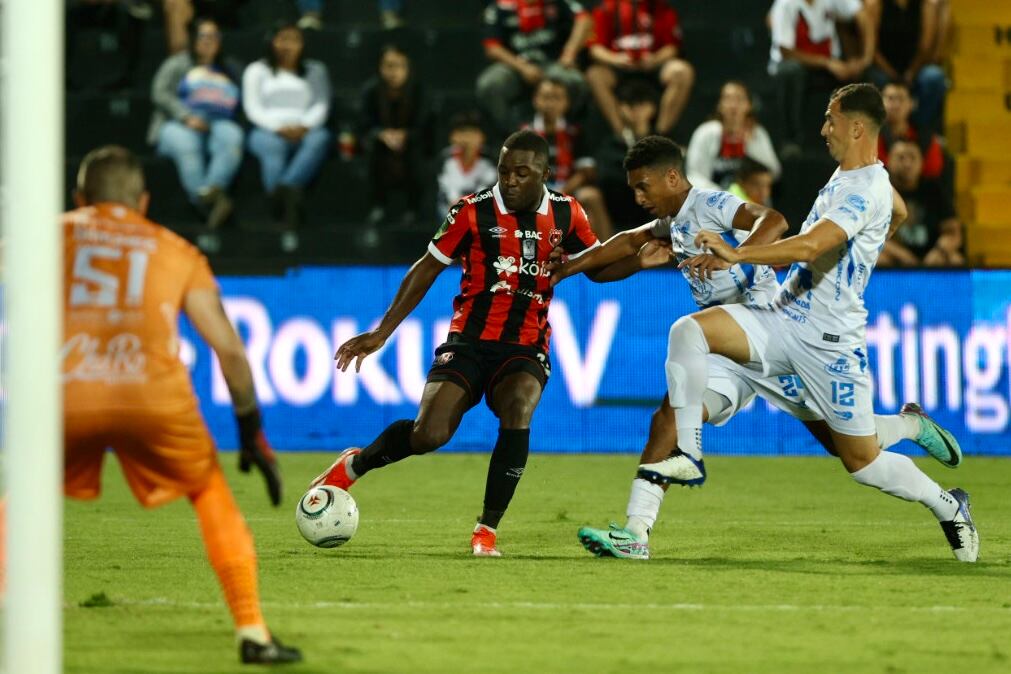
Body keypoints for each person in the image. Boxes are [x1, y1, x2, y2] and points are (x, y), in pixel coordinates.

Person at [553, 135, 961, 560]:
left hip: (773, 334)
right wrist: (565, 270)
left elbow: (775, 218)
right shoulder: (673, 224)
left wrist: (736, 254)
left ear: (672, 177)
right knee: (667, 418)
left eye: (643, 187)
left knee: (855, 453)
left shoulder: (711, 204)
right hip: (727, 350)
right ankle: (636, 533)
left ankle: (914, 430)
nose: (637, 197)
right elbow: (621, 246)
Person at [312, 130, 612, 557]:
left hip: (526, 345)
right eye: (504, 171)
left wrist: (638, 257)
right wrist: (382, 331)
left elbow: (597, 265)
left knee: (519, 406)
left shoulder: (568, 214)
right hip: (468, 341)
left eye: (521, 173)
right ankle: (354, 464)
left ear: (545, 173)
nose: (509, 180)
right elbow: (426, 268)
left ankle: (486, 529)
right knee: (429, 433)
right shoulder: (471, 212)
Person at [59, 146, 300, 663]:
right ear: (143, 201)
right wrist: (251, 430)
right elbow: (230, 349)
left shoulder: (51, 234)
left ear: (80, 197)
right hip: (154, 396)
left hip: (68, 389)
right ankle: (253, 633)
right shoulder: (174, 249)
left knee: (30, 493)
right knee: (208, 487)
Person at [149, 17, 244, 230]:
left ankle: (210, 193)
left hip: (219, 122)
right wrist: (185, 116)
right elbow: (159, 92)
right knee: (186, 144)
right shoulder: (177, 63)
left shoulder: (229, 68)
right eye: (203, 35)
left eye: (214, 36)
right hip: (178, 122)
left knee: (232, 138)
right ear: (193, 38)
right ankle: (209, 204)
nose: (209, 41)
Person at [243, 22, 332, 238]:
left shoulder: (316, 70)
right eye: (282, 39)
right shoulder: (257, 70)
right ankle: (285, 204)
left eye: (294, 40)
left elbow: (322, 104)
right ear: (272, 42)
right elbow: (252, 107)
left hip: (305, 129)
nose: (287, 46)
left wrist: (305, 126)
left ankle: (283, 192)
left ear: (302, 45)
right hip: (267, 129)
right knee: (271, 147)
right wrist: (278, 127)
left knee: (321, 139)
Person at [768, 0, 874, 155]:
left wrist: (865, 58)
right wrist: (827, 63)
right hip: (795, 64)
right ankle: (791, 139)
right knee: (790, 72)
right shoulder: (785, 4)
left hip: (828, 65)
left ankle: (860, 136)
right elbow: (785, 51)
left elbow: (862, 15)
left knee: (861, 76)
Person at [477, 0, 592, 138]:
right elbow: (492, 47)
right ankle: (512, 135)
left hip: (553, 63)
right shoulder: (500, 7)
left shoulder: (558, 2)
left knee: (574, 80)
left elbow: (584, 19)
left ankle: (570, 132)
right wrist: (523, 68)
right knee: (489, 84)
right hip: (514, 66)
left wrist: (569, 52)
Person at [586, 0, 694, 138]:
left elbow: (672, 47)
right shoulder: (606, 7)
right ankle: (622, 135)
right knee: (595, 74)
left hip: (652, 66)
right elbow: (595, 49)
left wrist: (655, 59)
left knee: (682, 71)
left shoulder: (661, 8)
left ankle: (660, 135)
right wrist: (616, 59)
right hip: (618, 66)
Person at [523, 77, 612, 239]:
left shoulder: (576, 131)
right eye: (546, 97)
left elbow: (587, 171)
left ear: (566, 103)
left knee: (591, 195)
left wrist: (563, 191)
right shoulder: (522, 132)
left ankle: (608, 254)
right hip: (533, 191)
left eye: (557, 98)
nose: (551, 103)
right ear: (535, 100)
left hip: (568, 189)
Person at [360, 44, 431, 227]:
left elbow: (424, 125)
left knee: (416, 150)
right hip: (381, 142)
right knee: (373, 147)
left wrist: (404, 135)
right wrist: (381, 134)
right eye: (389, 65)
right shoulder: (370, 91)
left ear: (408, 68)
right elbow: (364, 123)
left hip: (412, 142)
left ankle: (414, 209)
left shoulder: (419, 91)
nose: (394, 72)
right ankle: (377, 205)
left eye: (399, 65)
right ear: (380, 68)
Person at [865, 0, 947, 131]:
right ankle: (882, 133)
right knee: (871, 77)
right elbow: (871, 49)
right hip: (883, 68)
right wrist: (891, 74)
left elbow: (925, 47)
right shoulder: (875, 5)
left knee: (934, 77)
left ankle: (920, 132)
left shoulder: (926, 5)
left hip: (915, 69)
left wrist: (911, 73)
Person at [880, 138, 964, 267]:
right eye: (901, 158)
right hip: (894, 257)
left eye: (912, 158)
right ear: (888, 161)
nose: (907, 163)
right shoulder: (878, 190)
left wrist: (939, 251)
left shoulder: (935, 190)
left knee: (955, 260)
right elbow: (869, 237)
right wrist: (904, 256)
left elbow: (953, 232)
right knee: (876, 259)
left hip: (931, 257)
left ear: (921, 163)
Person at [685, 80, 781, 192]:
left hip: (750, 203)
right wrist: (724, 197)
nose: (733, 105)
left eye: (739, 99)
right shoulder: (705, 132)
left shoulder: (757, 133)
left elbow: (774, 173)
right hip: (715, 201)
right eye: (728, 99)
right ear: (720, 105)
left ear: (749, 105)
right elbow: (694, 176)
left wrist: (750, 145)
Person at [878, 80, 946, 180]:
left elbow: (934, 170)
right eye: (890, 98)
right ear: (880, 103)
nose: (896, 105)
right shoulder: (869, 136)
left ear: (911, 104)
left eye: (901, 99)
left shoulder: (925, 137)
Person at [436, 111, 498, 217]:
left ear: (482, 137)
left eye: (472, 133)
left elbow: (487, 191)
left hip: (479, 213)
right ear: (453, 137)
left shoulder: (490, 161)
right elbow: (446, 191)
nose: (466, 138)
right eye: (462, 132)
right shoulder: (445, 159)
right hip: (449, 214)